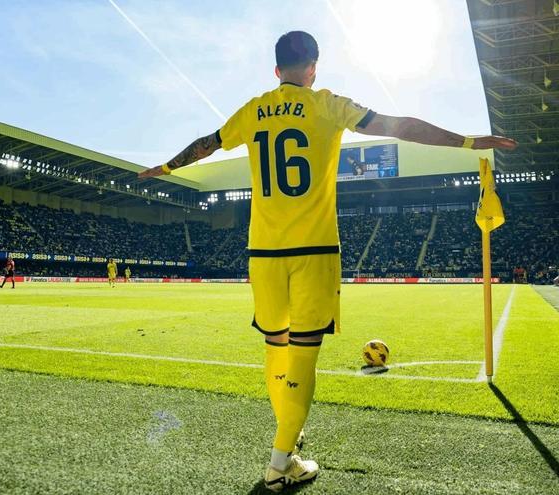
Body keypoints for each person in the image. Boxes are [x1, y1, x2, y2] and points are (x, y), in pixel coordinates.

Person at [138, 30, 516, 491]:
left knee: (275, 346)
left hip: (263, 252)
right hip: (314, 250)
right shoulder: (328, 104)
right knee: (303, 355)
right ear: (313, 67)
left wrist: (169, 167)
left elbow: (208, 143)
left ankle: (287, 444)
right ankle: (280, 463)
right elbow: (399, 126)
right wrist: (466, 142)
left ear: (276, 70)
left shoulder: (253, 109)